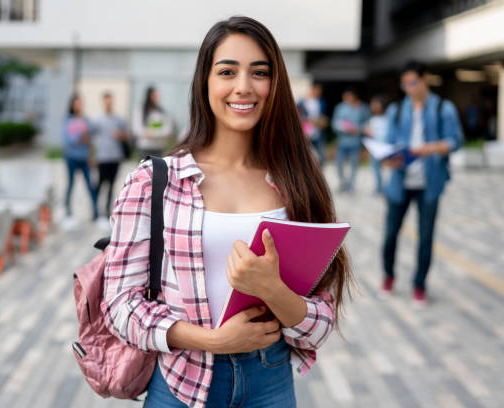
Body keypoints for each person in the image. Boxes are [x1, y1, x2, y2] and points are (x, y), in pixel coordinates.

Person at [102, 16, 352, 408]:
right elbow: (120, 305)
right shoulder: (156, 181)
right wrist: (212, 341)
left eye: (259, 72)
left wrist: (271, 289)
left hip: (269, 380)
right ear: (205, 82)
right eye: (227, 71)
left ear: (275, 84)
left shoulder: (297, 181)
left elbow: (319, 322)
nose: (243, 87)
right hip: (180, 383)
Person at [381, 60, 463, 306]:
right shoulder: (396, 110)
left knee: (426, 237)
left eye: (413, 82)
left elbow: (456, 140)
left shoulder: (443, 108)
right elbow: (389, 146)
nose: (409, 88)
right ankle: (388, 275)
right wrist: (390, 159)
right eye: (404, 84)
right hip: (400, 182)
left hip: (430, 183)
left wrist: (431, 148)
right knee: (390, 235)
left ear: (425, 78)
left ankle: (419, 284)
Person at [61, 93, 98, 221]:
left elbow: (91, 136)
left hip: (85, 158)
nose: (79, 105)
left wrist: (82, 138)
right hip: (71, 158)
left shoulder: (86, 120)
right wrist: (82, 136)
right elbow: (68, 140)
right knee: (70, 185)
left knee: (90, 186)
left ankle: (96, 213)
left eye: (80, 102)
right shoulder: (68, 120)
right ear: (72, 104)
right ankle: (68, 212)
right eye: (76, 103)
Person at [93, 91, 129, 218]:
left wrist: (120, 135)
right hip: (102, 157)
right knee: (100, 184)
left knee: (112, 185)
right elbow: (92, 139)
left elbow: (126, 136)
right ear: (103, 103)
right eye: (106, 102)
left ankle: (108, 209)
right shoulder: (98, 120)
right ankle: (95, 210)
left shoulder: (119, 119)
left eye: (110, 102)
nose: (108, 104)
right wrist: (93, 156)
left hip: (115, 157)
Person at [332, 87, 369, 192]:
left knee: (354, 164)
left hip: (355, 141)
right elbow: (334, 124)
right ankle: (342, 183)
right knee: (339, 164)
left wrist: (358, 129)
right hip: (342, 141)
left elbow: (367, 123)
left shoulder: (361, 108)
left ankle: (351, 185)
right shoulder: (340, 108)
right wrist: (343, 128)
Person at [133, 86, 173, 160]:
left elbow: (167, 130)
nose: (157, 98)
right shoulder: (140, 111)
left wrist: (153, 134)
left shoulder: (161, 112)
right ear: (149, 96)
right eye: (154, 95)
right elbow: (137, 129)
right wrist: (148, 133)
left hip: (158, 148)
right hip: (145, 148)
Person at [297, 80, 328, 165]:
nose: (319, 92)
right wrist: (308, 120)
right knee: (303, 157)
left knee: (321, 157)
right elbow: (297, 115)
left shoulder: (321, 102)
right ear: (313, 89)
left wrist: (322, 122)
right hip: (306, 133)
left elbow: (323, 116)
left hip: (318, 132)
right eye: (317, 90)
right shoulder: (302, 102)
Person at [364, 94, 389, 194]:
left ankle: (386, 188)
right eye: (372, 104)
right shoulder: (372, 119)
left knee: (388, 170)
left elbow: (386, 134)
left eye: (376, 104)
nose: (373, 106)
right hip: (374, 148)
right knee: (375, 169)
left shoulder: (388, 118)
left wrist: (373, 133)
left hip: (385, 148)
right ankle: (379, 187)